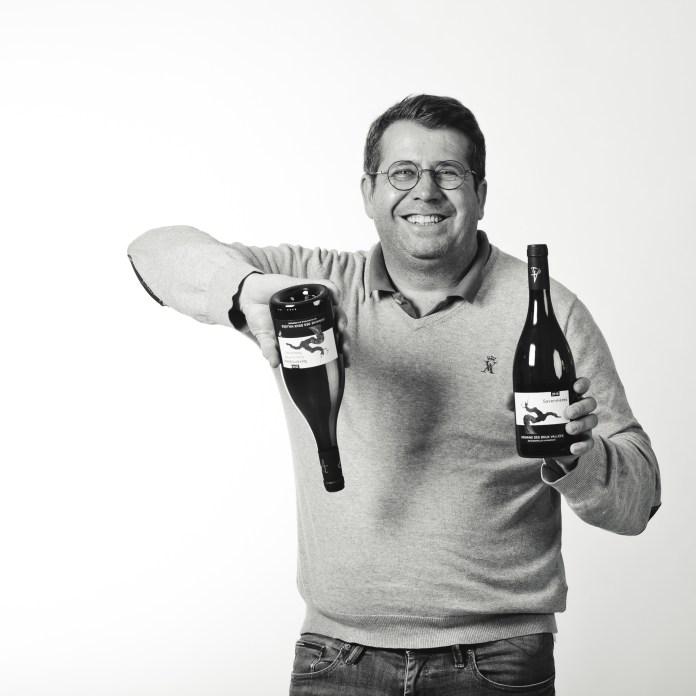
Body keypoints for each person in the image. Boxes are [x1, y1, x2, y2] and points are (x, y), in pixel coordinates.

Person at [127, 94, 662, 695]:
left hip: (497, 661)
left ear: (481, 194)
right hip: (336, 658)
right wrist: (243, 291)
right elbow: (152, 251)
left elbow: (639, 501)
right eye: (402, 172)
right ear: (368, 192)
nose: (425, 192)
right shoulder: (308, 292)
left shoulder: (547, 311)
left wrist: (576, 458)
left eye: (448, 173)